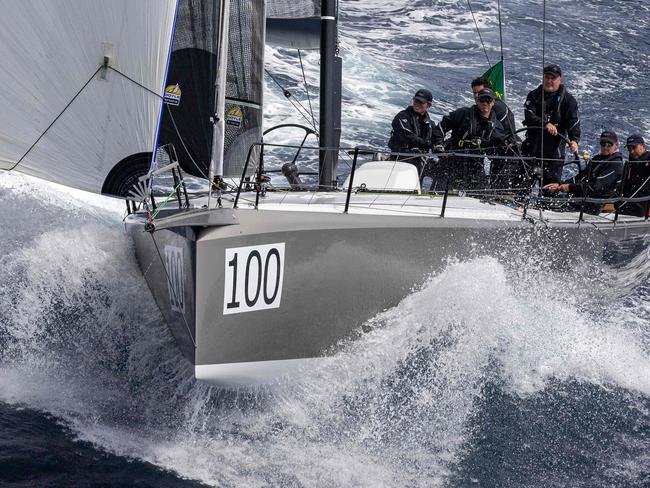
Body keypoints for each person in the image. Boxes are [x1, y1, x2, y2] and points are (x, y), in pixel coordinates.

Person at [431, 87, 508, 189]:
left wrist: (508, 147)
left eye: (488, 100)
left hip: (475, 166)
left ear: (493, 102)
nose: (485, 103)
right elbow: (440, 128)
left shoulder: (496, 126)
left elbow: (498, 148)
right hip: (452, 160)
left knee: (483, 196)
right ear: (477, 101)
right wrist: (439, 144)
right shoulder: (462, 114)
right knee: (439, 194)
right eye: (482, 100)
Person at [522, 64, 580, 184]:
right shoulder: (533, 96)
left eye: (552, 78)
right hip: (532, 146)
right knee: (522, 183)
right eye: (547, 77)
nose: (549, 81)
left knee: (550, 188)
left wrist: (574, 140)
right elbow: (529, 116)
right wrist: (545, 124)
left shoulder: (569, 101)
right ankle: (518, 202)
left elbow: (573, 122)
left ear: (560, 79)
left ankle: (547, 202)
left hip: (554, 151)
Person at [543, 130, 623, 213]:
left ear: (616, 145)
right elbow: (581, 177)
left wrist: (569, 187)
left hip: (594, 204)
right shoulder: (597, 159)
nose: (605, 147)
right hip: (582, 198)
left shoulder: (615, 165)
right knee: (550, 200)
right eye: (603, 144)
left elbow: (595, 188)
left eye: (609, 144)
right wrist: (560, 184)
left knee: (555, 205)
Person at [387, 89, 435, 176]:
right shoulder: (401, 117)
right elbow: (408, 137)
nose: (417, 103)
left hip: (419, 162)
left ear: (429, 105)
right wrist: (428, 144)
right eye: (415, 100)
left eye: (421, 102)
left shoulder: (431, 124)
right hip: (399, 159)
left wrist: (440, 146)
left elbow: (436, 140)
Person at [470, 76, 518, 143]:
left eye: (479, 92)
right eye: (474, 93)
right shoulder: (478, 108)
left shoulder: (498, 108)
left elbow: (509, 133)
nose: (476, 96)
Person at [619, 134, 650, 217]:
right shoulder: (630, 163)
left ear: (643, 146)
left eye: (634, 147)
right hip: (628, 203)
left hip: (643, 205)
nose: (631, 151)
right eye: (629, 149)